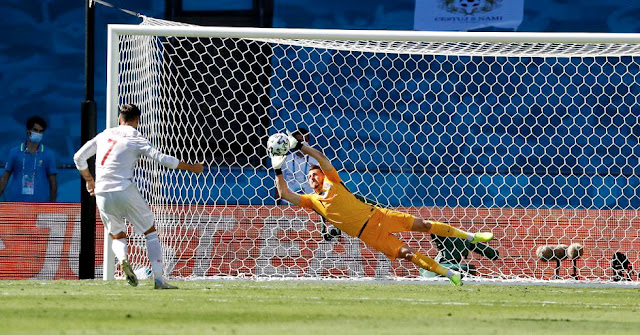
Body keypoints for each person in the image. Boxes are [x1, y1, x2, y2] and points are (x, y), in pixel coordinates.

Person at [270, 134, 494, 286]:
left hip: (378, 215)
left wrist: (299, 146)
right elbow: (285, 195)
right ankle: (450, 275)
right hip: (368, 234)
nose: (311, 179)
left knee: (424, 226)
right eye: (308, 178)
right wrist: (277, 168)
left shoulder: (333, 181)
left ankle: (473, 237)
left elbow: (321, 158)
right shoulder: (311, 200)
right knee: (407, 254)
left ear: (321, 174)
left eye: (314, 175)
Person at [73, 104, 204, 289]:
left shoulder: (105, 134)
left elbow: (78, 157)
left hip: (102, 192)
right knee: (150, 233)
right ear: (137, 120)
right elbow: (162, 159)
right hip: (124, 189)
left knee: (117, 235)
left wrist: (89, 180)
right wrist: (192, 167)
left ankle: (124, 260)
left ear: (120, 119)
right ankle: (159, 280)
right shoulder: (136, 137)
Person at [0, 116, 57, 202]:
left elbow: (53, 183)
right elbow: (5, 177)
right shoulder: (14, 152)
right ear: (28, 131)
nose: (38, 133)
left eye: (41, 131)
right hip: (16, 202)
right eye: (35, 130)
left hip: (40, 204)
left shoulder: (49, 154)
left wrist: (52, 206)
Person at [282, 128, 319, 195]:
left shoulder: (315, 161)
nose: (301, 143)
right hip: (289, 200)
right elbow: (280, 181)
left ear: (308, 141)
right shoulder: (286, 160)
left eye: (304, 141)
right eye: (299, 141)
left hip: (310, 199)